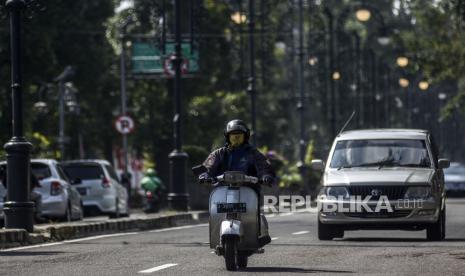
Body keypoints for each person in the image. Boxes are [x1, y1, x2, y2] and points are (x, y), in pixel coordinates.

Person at [200, 119, 274, 247]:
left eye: (239, 134)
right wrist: (205, 175)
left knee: (255, 211)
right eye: (233, 135)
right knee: (216, 211)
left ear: (246, 136)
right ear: (227, 136)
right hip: (223, 190)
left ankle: (261, 233)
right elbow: (208, 166)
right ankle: (216, 235)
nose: (236, 137)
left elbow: (264, 167)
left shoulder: (253, 153)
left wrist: (266, 176)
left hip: (248, 189)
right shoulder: (219, 153)